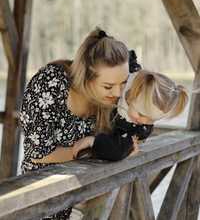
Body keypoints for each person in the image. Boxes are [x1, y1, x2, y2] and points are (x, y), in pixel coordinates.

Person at [20, 27, 135, 220]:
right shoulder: (50, 83)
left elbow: (130, 133)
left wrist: (121, 144)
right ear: (86, 77)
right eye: (108, 86)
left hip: (88, 199)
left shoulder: (113, 96)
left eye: (123, 83)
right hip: (43, 197)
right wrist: (98, 149)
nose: (117, 93)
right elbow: (38, 153)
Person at [73, 69, 188, 161]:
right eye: (141, 114)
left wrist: (93, 142)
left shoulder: (137, 129)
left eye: (152, 120)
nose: (144, 122)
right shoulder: (124, 78)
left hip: (92, 140)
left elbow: (118, 150)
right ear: (132, 95)